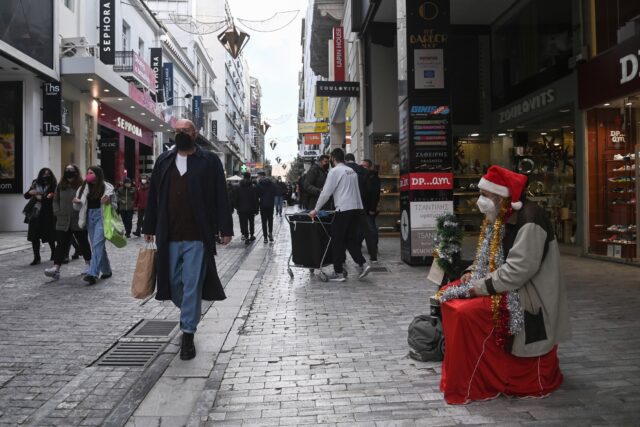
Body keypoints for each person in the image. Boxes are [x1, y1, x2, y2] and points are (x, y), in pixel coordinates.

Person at [436, 165, 571, 405]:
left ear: (499, 196)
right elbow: (485, 255)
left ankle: (476, 377)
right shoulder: (498, 215)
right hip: (503, 284)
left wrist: (477, 287)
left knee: (467, 312)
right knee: (449, 296)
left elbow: (517, 272)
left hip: (529, 296)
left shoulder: (530, 218)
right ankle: (466, 373)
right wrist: (470, 273)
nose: (479, 201)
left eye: (484, 196)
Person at [143, 119, 233, 361]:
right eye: (177, 131)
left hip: (197, 236)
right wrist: (148, 225)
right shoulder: (164, 161)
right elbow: (153, 197)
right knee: (172, 284)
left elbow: (220, 196)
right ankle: (189, 313)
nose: (181, 134)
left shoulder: (209, 161)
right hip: (168, 234)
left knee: (192, 284)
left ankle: (188, 334)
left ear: (195, 134)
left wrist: (226, 228)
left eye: (186, 131)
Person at [309, 148, 371, 282]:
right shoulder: (351, 171)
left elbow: (326, 192)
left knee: (336, 240)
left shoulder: (335, 171)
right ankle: (363, 264)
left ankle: (338, 272)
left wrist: (316, 209)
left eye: (330, 159)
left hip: (343, 209)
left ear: (333, 158)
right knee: (349, 239)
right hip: (356, 209)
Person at [44, 164, 91, 280]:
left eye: (71, 170)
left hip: (77, 219)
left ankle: (88, 264)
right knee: (60, 245)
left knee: (83, 242)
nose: (69, 172)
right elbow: (55, 200)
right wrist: (56, 211)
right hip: (62, 220)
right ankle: (56, 268)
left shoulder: (82, 185)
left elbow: (87, 200)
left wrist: (80, 204)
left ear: (76, 171)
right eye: (67, 170)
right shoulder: (61, 185)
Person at [73, 166, 117, 285]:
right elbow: (77, 207)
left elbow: (115, 206)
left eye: (91, 172)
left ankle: (93, 273)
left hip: (102, 217)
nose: (88, 174)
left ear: (97, 174)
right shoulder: (82, 188)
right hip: (89, 217)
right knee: (97, 245)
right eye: (87, 172)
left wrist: (108, 202)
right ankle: (106, 270)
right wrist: (76, 203)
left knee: (97, 244)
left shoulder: (107, 187)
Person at [344, 153, 377, 263]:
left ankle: (344, 259)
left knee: (347, 231)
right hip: (362, 206)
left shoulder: (344, 170)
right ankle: (373, 256)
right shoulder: (364, 172)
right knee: (367, 232)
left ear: (345, 160)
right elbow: (370, 191)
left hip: (348, 206)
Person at [24, 168, 57, 265]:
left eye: (48, 174)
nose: (46, 176)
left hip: (48, 212)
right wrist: (30, 193)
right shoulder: (35, 183)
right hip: (36, 212)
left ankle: (54, 253)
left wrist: (42, 197)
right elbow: (26, 196)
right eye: (44, 174)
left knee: (50, 234)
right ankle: (36, 257)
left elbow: (53, 197)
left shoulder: (53, 184)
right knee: (34, 235)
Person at [361, 159, 381, 262]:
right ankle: (370, 247)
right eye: (362, 165)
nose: (362, 167)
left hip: (369, 208)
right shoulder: (365, 176)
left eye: (365, 166)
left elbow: (375, 194)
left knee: (371, 228)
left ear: (369, 167)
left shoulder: (372, 177)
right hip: (363, 207)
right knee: (366, 228)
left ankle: (373, 248)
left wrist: (372, 208)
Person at [233, 172, 259, 244]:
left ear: (243, 177)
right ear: (250, 177)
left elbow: (235, 199)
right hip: (251, 209)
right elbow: (255, 199)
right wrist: (256, 209)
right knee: (251, 222)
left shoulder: (238, 187)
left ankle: (245, 236)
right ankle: (252, 235)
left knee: (243, 223)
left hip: (241, 209)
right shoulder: (253, 187)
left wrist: (237, 207)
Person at [256, 171, 277, 243]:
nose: (257, 177)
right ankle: (270, 233)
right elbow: (275, 192)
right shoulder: (271, 183)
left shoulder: (259, 184)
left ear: (261, 176)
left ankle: (265, 237)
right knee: (270, 219)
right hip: (270, 204)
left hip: (263, 204)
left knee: (263, 221)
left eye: (258, 176)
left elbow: (257, 195)